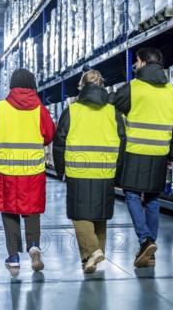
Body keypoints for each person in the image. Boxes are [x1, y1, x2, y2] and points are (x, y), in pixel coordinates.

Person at [0, 68, 56, 272]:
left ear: (12, 85)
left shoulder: (0, 109)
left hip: (5, 173)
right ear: (33, 86)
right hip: (32, 173)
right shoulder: (39, 109)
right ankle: (34, 246)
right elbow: (49, 135)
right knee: (32, 210)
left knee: (9, 212)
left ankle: (13, 257)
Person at [112, 48, 173, 268]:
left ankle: (145, 240)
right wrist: (172, 153)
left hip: (135, 151)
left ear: (143, 63)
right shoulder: (172, 92)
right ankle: (149, 253)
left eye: (137, 61)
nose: (135, 65)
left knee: (132, 194)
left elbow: (112, 109)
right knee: (152, 199)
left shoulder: (133, 88)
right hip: (160, 153)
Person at [53, 70, 125, 273]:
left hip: (79, 171)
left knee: (79, 214)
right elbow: (122, 142)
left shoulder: (72, 111)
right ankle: (91, 259)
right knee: (99, 214)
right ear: (101, 85)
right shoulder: (112, 112)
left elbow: (59, 142)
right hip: (105, 171)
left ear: (81, 87)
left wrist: (60, 170)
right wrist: (119, 171)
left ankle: (92, 251)